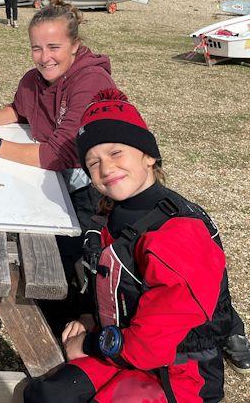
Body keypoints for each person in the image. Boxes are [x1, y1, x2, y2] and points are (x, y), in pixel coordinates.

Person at [24, 88, 235, 402]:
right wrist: (89, 316)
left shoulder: (177, 234)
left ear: (148, 155)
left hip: (177, 372)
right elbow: (109, 278)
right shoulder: (111, 213)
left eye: (116, 153)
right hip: (124, 346)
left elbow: (152, 345)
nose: (106, 169)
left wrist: (89, 344)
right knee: (45, 394)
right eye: (93, 162)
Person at [0, 0, 114, 332]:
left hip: (94, 188)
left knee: (69, 259)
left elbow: (57, 153)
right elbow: (19, 110)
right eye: (36, 48)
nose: (45, 57)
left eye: (54, 47)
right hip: (56, 182)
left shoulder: (90, 82)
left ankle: (79, 319)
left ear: (75, 46)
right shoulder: (34, 79)